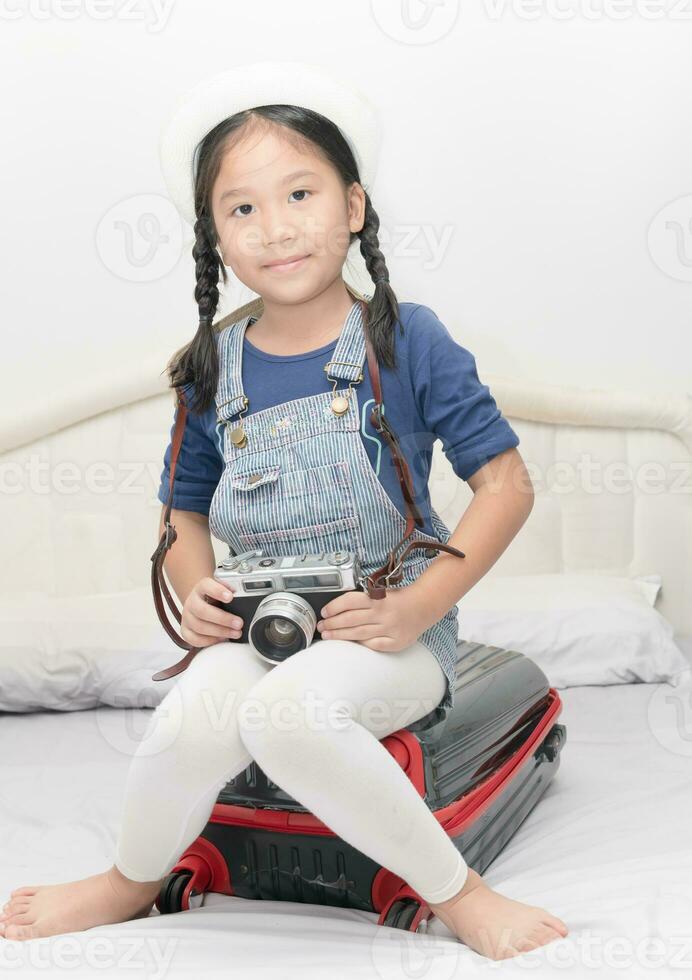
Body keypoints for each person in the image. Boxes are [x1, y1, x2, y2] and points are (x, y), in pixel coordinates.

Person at [0, 62, 568, 959]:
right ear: (214, 238)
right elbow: (179, 519)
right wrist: (195, 596)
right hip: (261, 634)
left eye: (299, 193)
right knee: (190, 714)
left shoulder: (405, 339)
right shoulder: (208, 368)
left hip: (392, 635)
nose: (276, 227)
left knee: (289, 718)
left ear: (353, 206)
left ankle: (460, 895)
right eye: (242, 208)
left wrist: (415, 608)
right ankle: (130, 880)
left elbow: (507, 485)